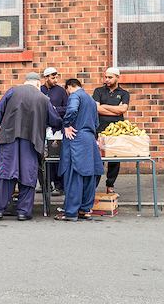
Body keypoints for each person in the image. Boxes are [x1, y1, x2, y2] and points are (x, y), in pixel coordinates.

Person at [0, 72, 62, 221]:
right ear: (37, 83)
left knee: (5, 174)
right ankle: (23, 212)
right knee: (28, 175)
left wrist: (7, 125)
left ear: (26, 82)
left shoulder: (12, 91)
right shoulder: (43, 98)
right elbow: (55, 120)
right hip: (32, 141)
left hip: (9, 139)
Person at [54, 78, 104, 221]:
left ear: (69, 87)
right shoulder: (89, 98)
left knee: (74, 175)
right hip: (89, 139)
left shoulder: (75, 95)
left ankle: (70, 212)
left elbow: (72, 109)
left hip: (76, 138)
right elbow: (96, 122)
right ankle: (85, 210)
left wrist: (67, 124)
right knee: (89, 175)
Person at [92, 67, 130, 194]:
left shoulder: (124, 93)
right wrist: (115, 109)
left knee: (115, 159)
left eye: (110, 77)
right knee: (98, 159)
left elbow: (123, 109)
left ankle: (110, 184)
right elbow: (97, 109)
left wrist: (105, 106)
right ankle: (93, 187)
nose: (106, 80)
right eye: (105, 77)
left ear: (117, 78)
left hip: (116, 131)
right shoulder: (98, 91)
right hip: (100, 129)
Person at [40, 67, 68, 196]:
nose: (55, 80)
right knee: (42, 157)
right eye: (52, 78)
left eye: (56, 77)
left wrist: (54, 109)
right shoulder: (39, 90)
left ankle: (59, 185)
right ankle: (45, 184)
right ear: (45, 78)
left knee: (55, 156)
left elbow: (67, 108)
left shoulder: (61, 91)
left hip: (56, 129)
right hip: (41, 128)